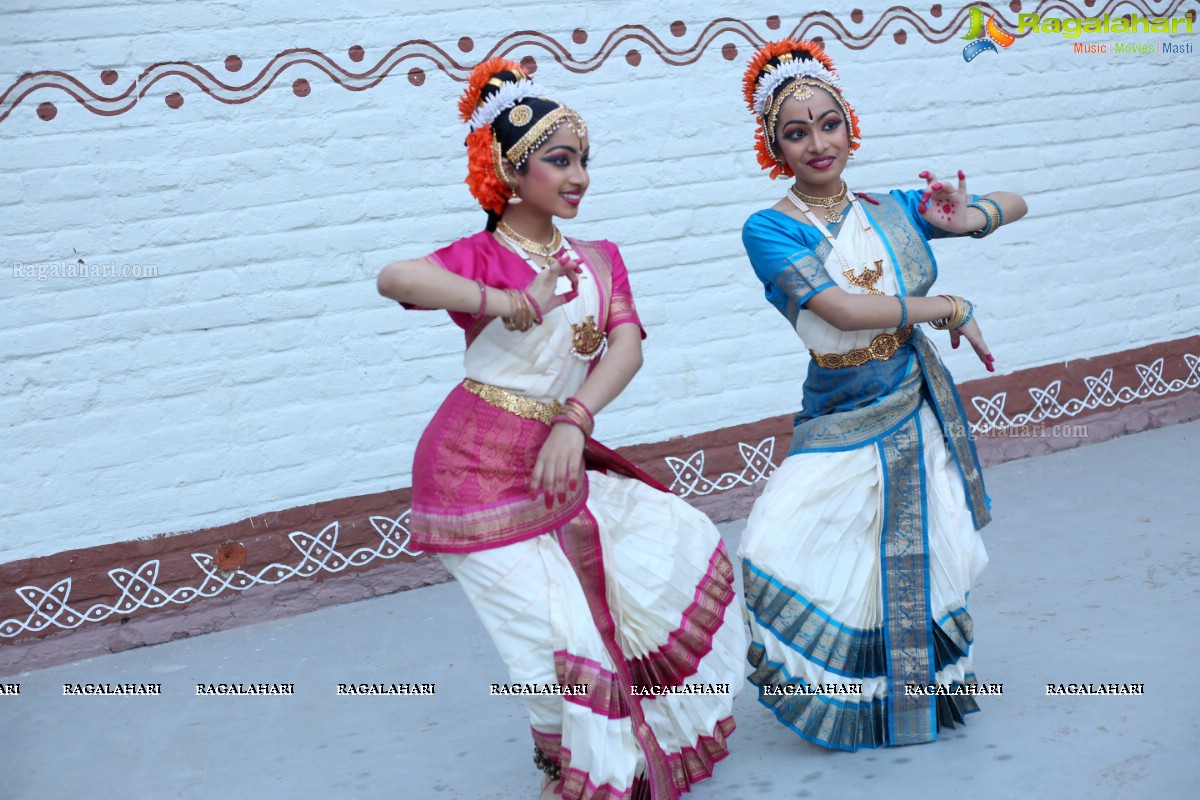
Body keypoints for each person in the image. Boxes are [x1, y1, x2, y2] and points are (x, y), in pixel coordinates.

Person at [376, 58, 744, 798]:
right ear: (513, 171)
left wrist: (575, 419)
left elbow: (628, 345)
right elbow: (396, 278)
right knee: (552, 645)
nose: (577, 176)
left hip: (555, 458)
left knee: (668, 548)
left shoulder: (601, 260)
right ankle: (574, 773)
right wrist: (503, 300)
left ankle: (597, 764)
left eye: (583, 161)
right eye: (558, 160)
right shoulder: (484, 256)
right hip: (470, 472)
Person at [736, 39, 1027, 751]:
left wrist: (968, 214)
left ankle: (906, 703)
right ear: (773, 145)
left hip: (912, 403)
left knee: (921, 557)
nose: (817, 143)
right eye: (796, 132)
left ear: (849, 125)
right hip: (838, 412)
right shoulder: (771, 227)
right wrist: (947, 306)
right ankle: (839, 688)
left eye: (827, 124)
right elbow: (838, 310)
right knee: (773, 542)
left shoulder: (890, 207)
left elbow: (1016, 202)